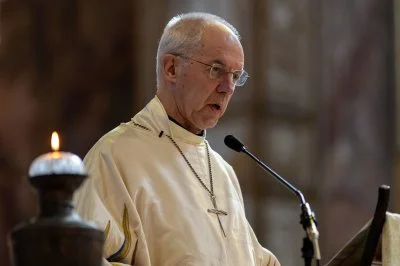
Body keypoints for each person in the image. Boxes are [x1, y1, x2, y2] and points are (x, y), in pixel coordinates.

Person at [74, 12, 281, 266]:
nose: (228, 88)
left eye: (236, 76)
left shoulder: (223, 172)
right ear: (171, 68)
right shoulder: (114, 156)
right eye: (216, 70)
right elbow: (86, 258)